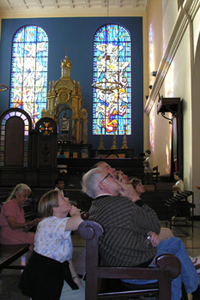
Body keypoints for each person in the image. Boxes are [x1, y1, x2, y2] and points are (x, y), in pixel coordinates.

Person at [81, 167, 200, 300]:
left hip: (124, 259)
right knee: (171, 265)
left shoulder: (96, 207)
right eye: (109, 176)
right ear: (102, 185)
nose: (114, 177)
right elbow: (155, 225)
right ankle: (192, 291)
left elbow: (126, 230)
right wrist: (134, 197)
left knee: (175, 243)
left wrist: (148, 233)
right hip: (135, 267)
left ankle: (194, 290)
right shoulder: (120, 204)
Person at [19, 190, 85, 300]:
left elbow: (67, 258)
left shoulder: (61, 223)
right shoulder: (49, 223)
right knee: (83, 295)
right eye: (63, 198)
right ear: (55, 208)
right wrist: (76, 213)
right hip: (42, 275)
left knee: (84, 289)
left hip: (54, 272)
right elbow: (79, 222)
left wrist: (75, 277)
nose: (67, 199)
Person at [0, 183, 40, 250]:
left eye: (28, 196)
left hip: (16, 233)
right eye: (25, 196)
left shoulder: (20, 208)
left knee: (39, 236)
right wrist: (28, 223)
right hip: (8, 235)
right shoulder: (10, 205)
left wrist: (32, 224)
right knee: (37, 239)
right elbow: (13, 225)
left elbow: (22, 229)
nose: (27, 199)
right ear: (17, 194)